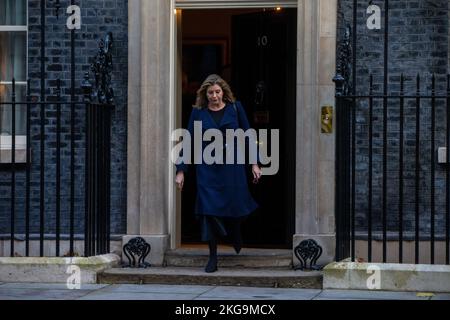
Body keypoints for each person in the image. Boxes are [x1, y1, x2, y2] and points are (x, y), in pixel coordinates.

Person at [175, 74, 262, 273]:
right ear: (205, 94)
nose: (214, 96)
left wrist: (254, 163)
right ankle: (212, 257)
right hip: (207, 168)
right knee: (208, 211)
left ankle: (235, 231)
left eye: (217, 92)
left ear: (224, 92)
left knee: (236, 203)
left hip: (232, 166)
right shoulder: (198, 113)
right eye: (210, 93)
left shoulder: (235, 108)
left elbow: (248, 134)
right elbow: (189, 141)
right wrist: (181, 170)